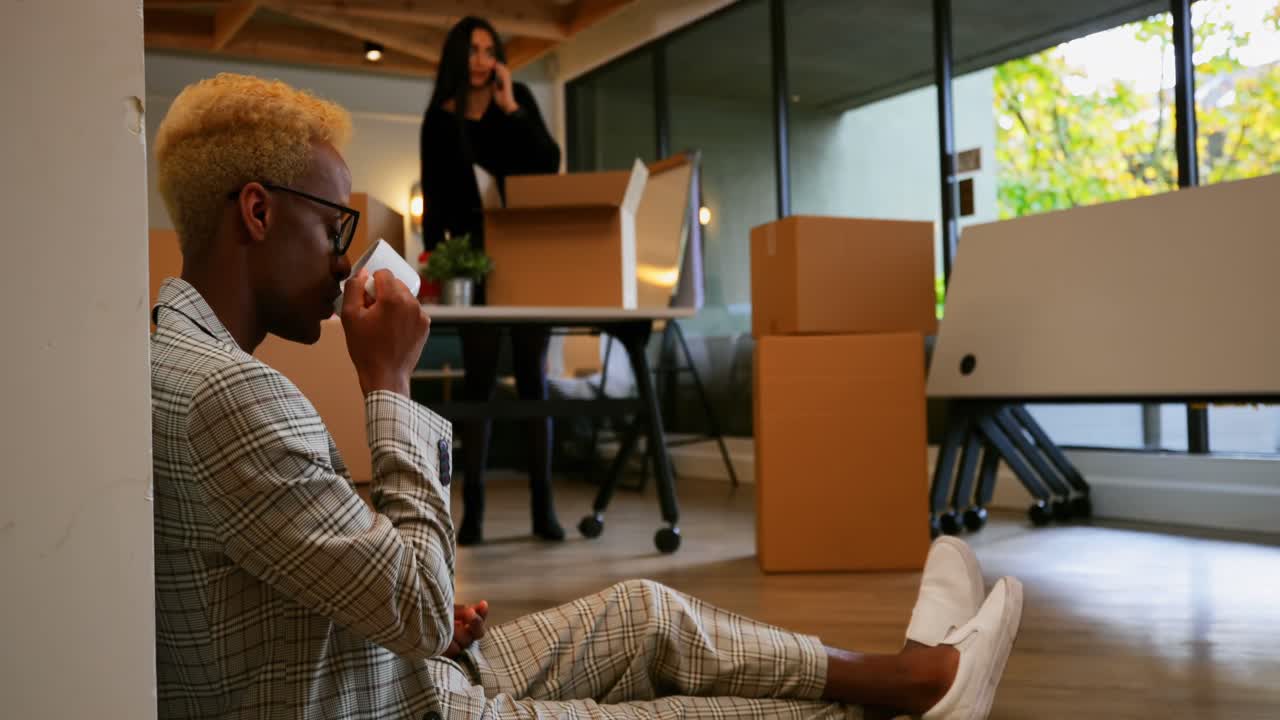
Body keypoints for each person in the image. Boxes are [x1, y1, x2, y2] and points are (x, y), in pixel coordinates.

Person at [151, 72, 1022, 720]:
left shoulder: (169, 353)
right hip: (394, 706)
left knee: (644, 613)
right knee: (691, 712)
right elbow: (413, 604)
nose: (346, 255)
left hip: (379, 667)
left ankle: (898, 672)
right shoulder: (231, 397)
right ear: (258, 213)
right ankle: (922, 688)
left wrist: (402, 606)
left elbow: (313, 576)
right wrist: (389, 382)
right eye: (333, 223)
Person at [420, 16, 563, 546]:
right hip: (472, 263)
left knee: (534, 383)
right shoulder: (439, 119)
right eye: (472, 50)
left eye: (489, 50)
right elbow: (434, 200)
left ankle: (543, 508)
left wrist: (510, 108)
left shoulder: (518, 99)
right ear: (458, 57)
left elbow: (548, 164)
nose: (481, 59)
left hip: (526, 255)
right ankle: (473, 510)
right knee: (478, 384)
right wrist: (435, 261)